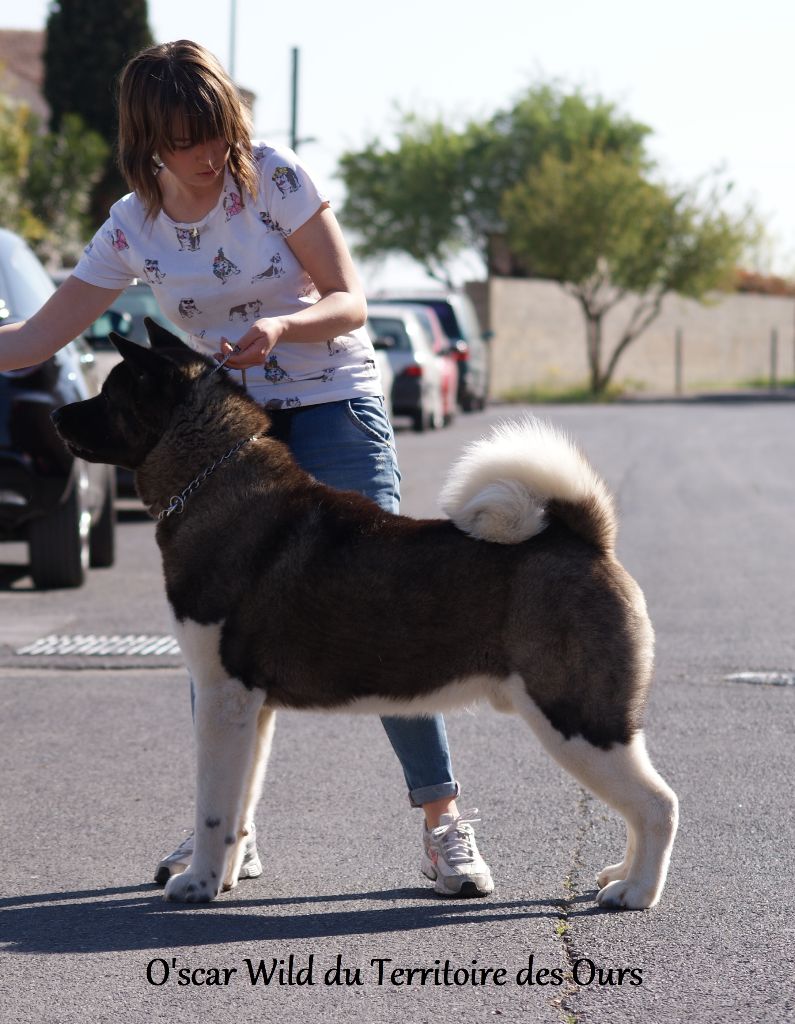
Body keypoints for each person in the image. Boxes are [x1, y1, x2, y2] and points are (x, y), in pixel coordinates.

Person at [0, 39, 493, 898]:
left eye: (219, 130)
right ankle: (225, 838)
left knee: (382, 603)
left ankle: (442, 822)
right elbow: (35, 338)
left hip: (331, 400)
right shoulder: (132, 224)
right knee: (216, 630)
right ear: (149, 140)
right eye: (188, 139)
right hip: (225, 435)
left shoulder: (272, 176)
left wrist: (282, 329)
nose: (211, 152)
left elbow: (349, 300)